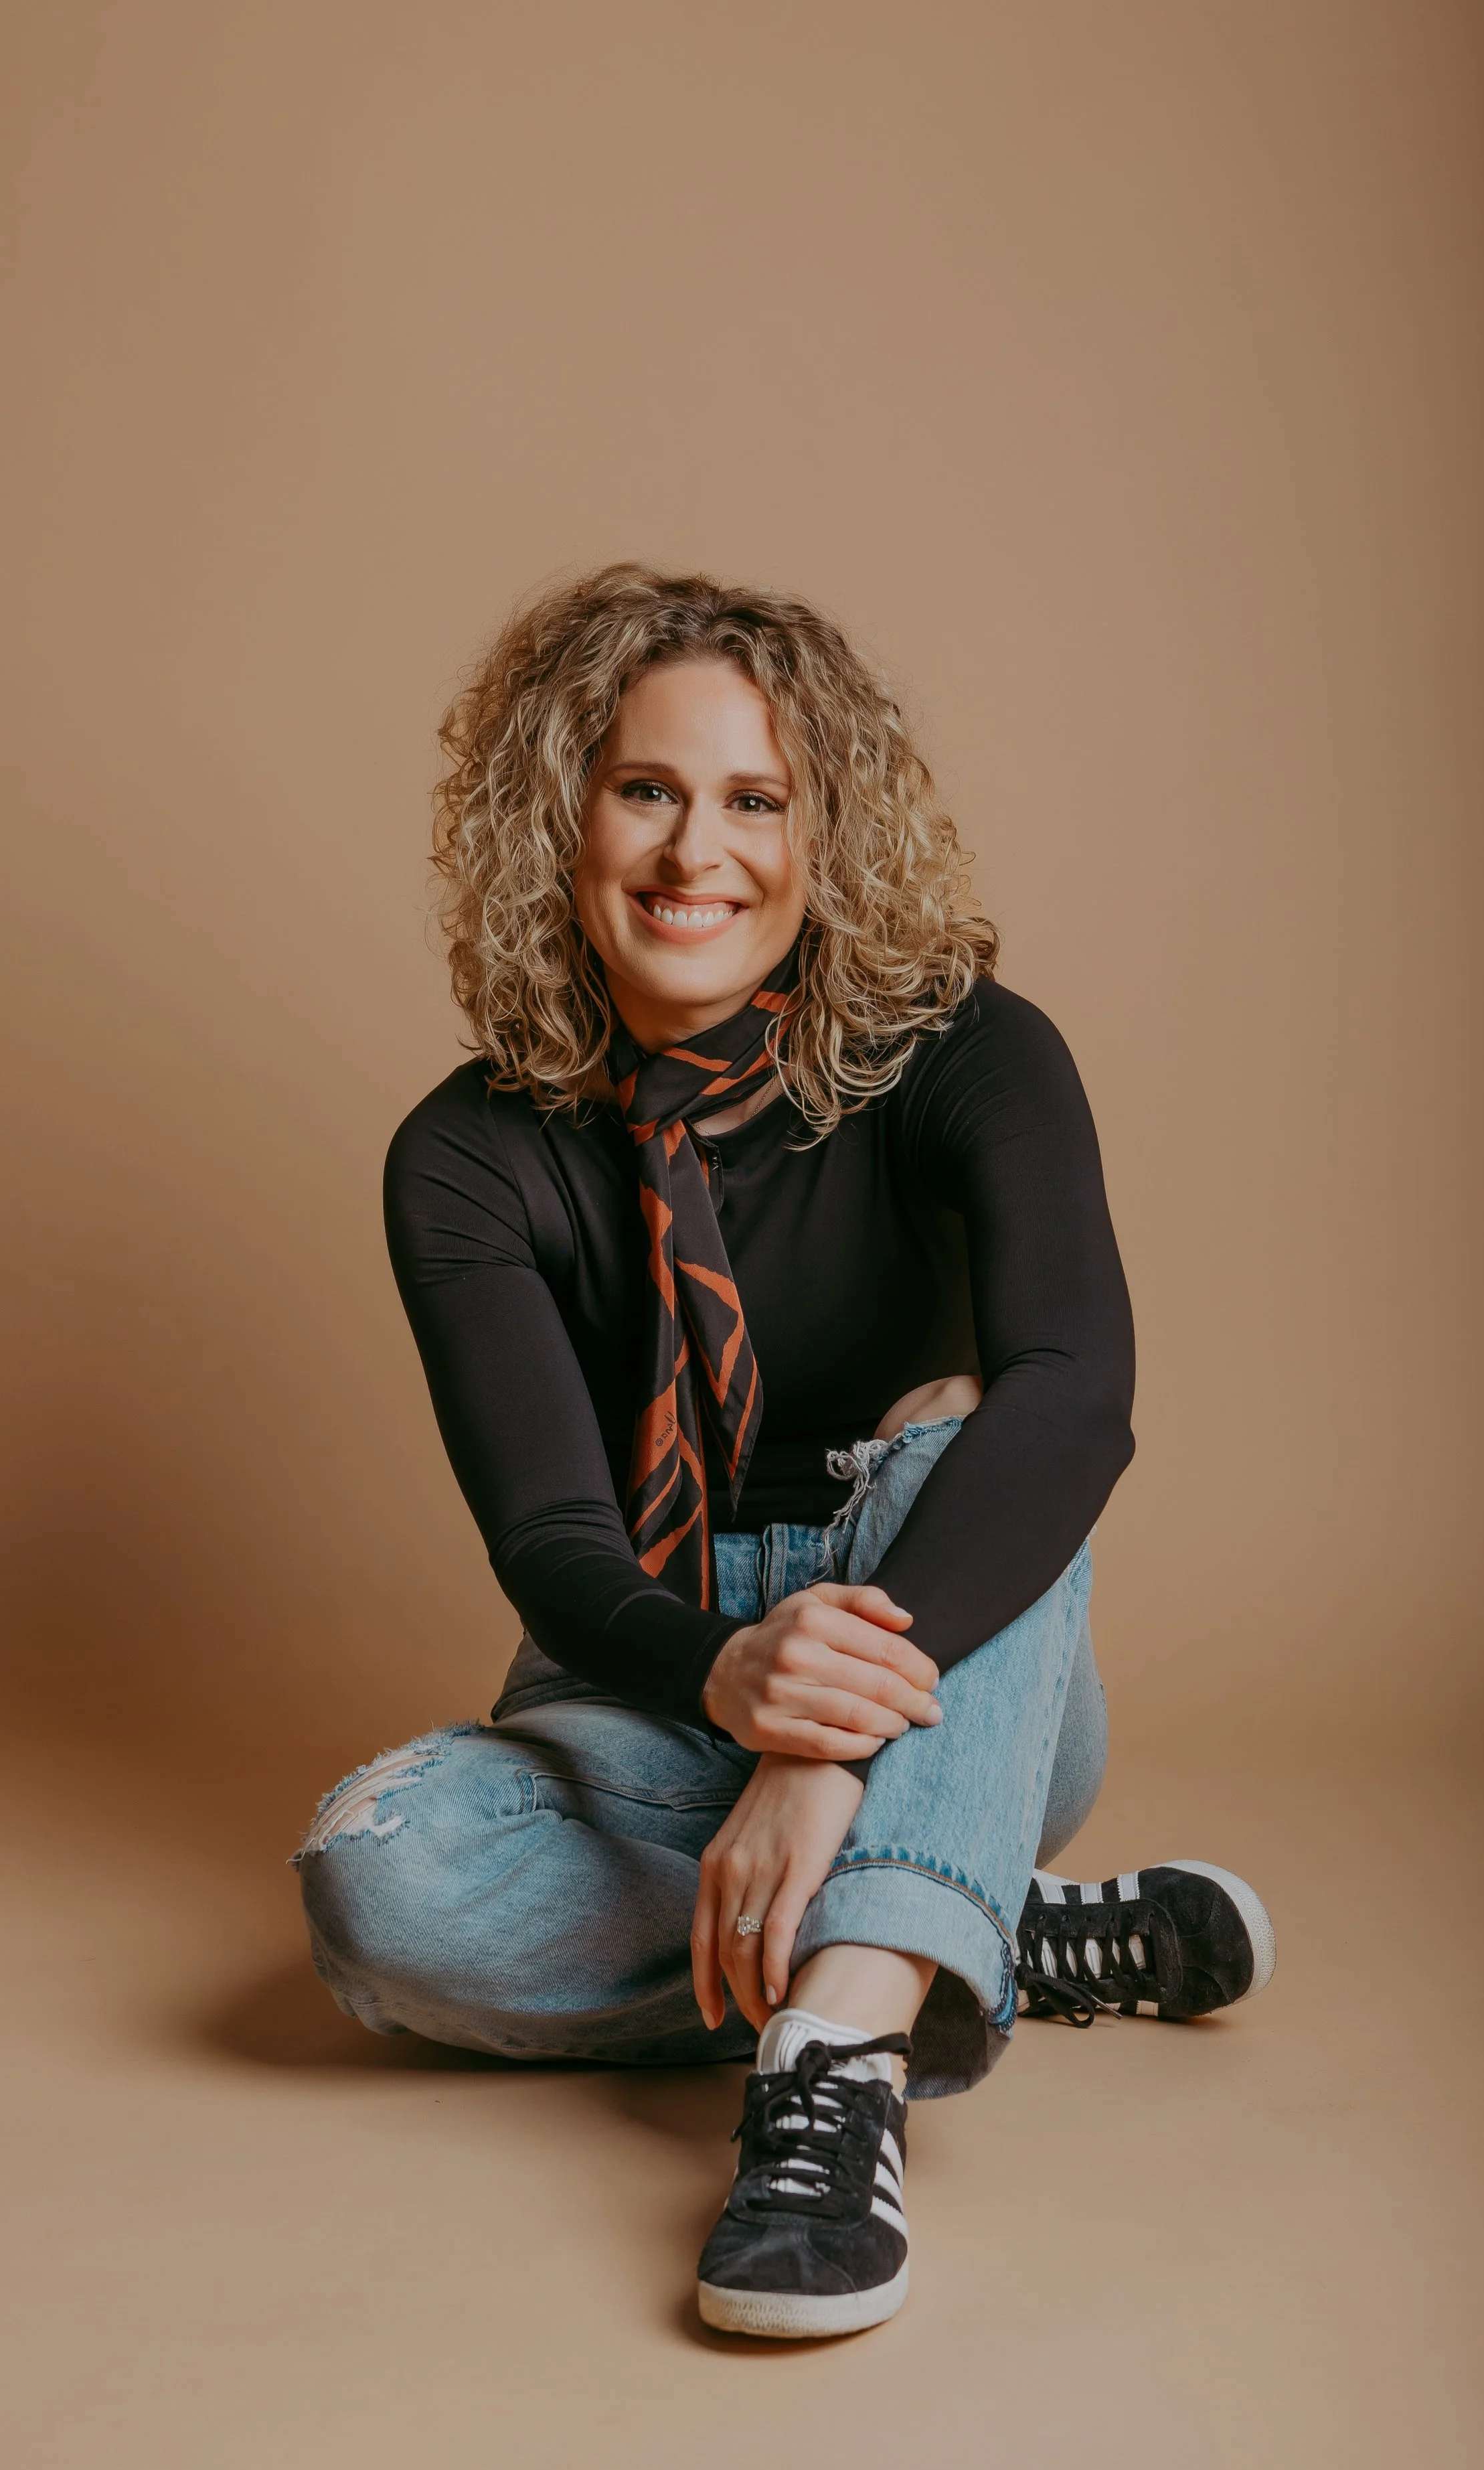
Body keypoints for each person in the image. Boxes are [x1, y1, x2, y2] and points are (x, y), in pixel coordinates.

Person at [297, 565, 1275, 2340]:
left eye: (756, 799)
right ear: (562, 817)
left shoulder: (975, 1056)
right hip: (645, 1680)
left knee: (958, 1430)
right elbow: (556, 1551)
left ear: (829, 839)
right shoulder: (463, 1158)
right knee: (376, 1885)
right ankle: (961, 1925)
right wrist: (728, 1679)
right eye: (646, 790)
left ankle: (834, 2049)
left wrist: (823, 1751)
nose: (696, 854)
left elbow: (1075, 1398)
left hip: (953, 1643)